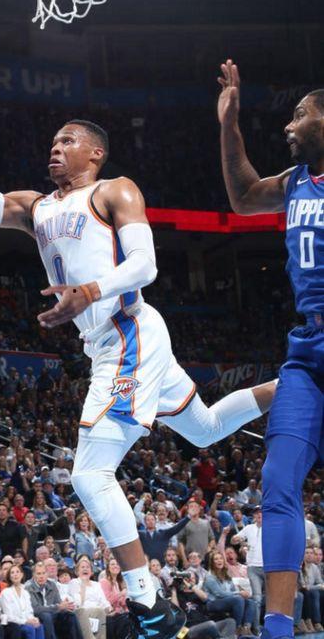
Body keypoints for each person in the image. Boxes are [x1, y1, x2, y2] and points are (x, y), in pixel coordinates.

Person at [0, 86, 278, 639]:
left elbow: (145, 265)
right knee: (206, 429)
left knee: (89, 474)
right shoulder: (35, 207)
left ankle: (150, 606)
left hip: (129, 331)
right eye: (53, 141)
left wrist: (90, 290)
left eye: (68, 141)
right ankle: (296, 384)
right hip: (111, 342)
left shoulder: (115, 190)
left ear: (95, 153)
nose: (56, 147)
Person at [217, 59, 324, 639]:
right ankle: (277, 630)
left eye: (300, 114)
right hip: (307, 351)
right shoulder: (295, 181)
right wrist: (229, 125)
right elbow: (241, 196)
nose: (288, 124)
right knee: (278, 482)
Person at [25, 561, 83, 639]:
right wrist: (58, 607)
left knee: (69, 615)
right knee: (46, 616)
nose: (41, 576)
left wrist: (65, 606)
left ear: (47, 574)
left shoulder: (52, 585)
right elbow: (36, 609)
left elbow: (59, 603)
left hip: (53, 614)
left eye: (43, 573)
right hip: (37, 616)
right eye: (38, 574)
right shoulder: (28, 587)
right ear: (33, 575)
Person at [203, 551, 256, 635]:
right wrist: (239, 593)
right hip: (213, 602)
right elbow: (220, 594)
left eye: (221, 558)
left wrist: (241, 593)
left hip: (228, 600)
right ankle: (237, 628)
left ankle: (246, 628)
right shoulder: (209, 577)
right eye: (216, 559)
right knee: (238, 599)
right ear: (212, 562)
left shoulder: (226, 574)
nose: (219, 561)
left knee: (250, 602)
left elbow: (232, 589)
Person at [231, 507, 264, 633]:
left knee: (272, 598)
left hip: (269, 567)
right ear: (254, 516)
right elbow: (234, 540)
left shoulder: (272, 527)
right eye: (257, 513)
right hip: (253, 567)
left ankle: (272, 626)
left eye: (261, 513)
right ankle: (256, 629)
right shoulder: (249, 528)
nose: (259, 515)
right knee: (257, 599)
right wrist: (236, 539)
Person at [0, 564, 45, 639]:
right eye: (12, 572)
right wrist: (26, 621)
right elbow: (9, 616)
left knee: (39, 626)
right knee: (30, 629)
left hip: (26, 621)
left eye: (17, 572)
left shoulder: (26, 591)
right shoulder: (6, 593)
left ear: (22, 575)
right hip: (14, 624)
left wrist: (33, 619)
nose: (15, 574)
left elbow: (29, 611)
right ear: (9, 577)